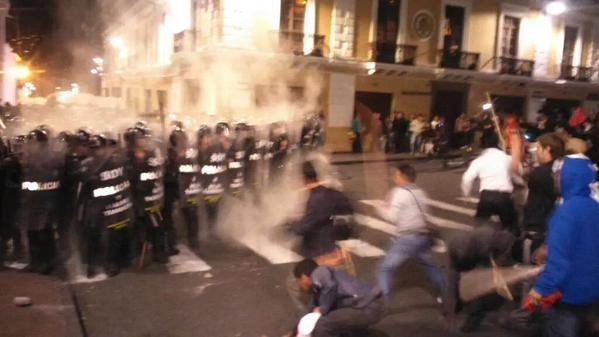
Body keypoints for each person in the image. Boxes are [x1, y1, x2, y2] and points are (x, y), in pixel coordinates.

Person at [523, 155, 599, 337]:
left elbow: (559, 262)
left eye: (558, 175)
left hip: (569, 294)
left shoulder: (566, 212)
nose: (555, 179)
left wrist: (540, 290)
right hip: (592, 291)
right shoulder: (594, 207)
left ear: (569, 177)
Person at [374, 164, 444, 301]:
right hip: (423, 237)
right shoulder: (420, 192)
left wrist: (380, 208)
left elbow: (392, 217)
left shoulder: (399, 193)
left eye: (396, 175)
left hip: (407, 239)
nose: (394, 178)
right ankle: (444, 294)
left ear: (402, 177)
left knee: (385, 268)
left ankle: (385, 301)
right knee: (429, 266)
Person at [78, 133, 133, 277]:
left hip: (113, 207)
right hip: (94, 206)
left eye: (99, 148)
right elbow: (82, 187)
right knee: (92, 235)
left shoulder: (115, 162)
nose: (97, 151)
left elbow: (123, 182)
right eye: (93, 149)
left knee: (112, 236)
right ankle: (91, 265)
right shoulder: (87, 165)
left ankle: (111, 263)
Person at [445, 226, 520, 332]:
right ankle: (462, 308)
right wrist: (450, 316)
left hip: (506, 250)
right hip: (487, 252)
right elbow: (451, 285)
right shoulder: (455, 249)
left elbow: (507, 244)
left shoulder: (485, 243)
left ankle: (477, 317)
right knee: (459, 284)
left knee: (485, 290)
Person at [289, 259, 384, 337]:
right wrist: (293, 332)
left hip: (367, 307)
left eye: (299, 281)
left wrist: (323, 309)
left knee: (321, 326)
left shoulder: (322, 280)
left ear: (304, 277)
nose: (299, 285)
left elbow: (331, 287)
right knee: (328, 320)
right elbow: (310, 308)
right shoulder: (320, 283)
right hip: (362, 305)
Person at [18, 128, 64, 274]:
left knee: (43, 234)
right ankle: (37, 262)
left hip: (44, 204)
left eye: (33, 143)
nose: (30, 146)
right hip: (34, 204)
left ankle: (47, 264)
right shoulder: (30, 159)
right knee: (34, 234)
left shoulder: (48, 160)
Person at [125, 126, 168, 264]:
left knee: (156, 226)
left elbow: (156, 171)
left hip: (151, 199)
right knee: (139, 227)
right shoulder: (127, 158)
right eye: (139, 139)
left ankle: (159, 252)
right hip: (137, 199)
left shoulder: (150, 154)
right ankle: (138, 251)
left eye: (143, 138)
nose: (142, 141)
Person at [461, 132, 519, 234]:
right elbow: (516, 174)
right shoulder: (506, 158)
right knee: (511, 228)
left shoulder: (479, 160)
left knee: (480, 228)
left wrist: (466, 194)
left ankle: (480, 246)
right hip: (504, 197)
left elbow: (467, 178)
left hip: (486, 197)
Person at [522, 133, 564, 262]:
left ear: (548, 149)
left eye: (539, 149)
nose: (537, 153)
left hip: (538, 230)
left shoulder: (542, 173)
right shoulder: (560, 169)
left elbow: (525, 176)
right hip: (551, 229)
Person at [199, 123, 228, 237]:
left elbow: (222, 163)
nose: (207, 140)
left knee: (215, 209)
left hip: (215, 186)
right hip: (204, 186)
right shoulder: (198, 152)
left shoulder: (216, 148)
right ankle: (208, 230)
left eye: (208, 137)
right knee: (207, 209)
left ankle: (213, 230)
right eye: (204, 137)